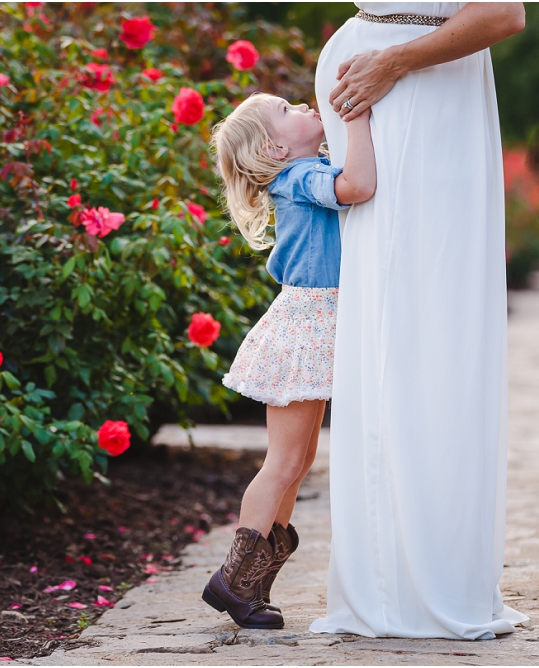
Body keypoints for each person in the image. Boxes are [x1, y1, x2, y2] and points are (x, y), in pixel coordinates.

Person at [308, 2, 530, 639]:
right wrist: (378, 63)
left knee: (438, 325)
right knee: (392, 324)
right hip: (384, 78)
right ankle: (393, 581)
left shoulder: (405, 61)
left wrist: (392, 61)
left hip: (422, 82)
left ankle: (435, 577)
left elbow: (505, 12)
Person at [202, 92, 377, 629]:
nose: (303, 105)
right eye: (286, 109)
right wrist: (360, 116)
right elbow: (360, 187)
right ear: (276, 146)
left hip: (320, 325)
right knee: (282, 463)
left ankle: (252, 583)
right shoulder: (298, 178)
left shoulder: (308, 167)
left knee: (297, 464)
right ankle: (232, 581)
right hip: (308, 326)